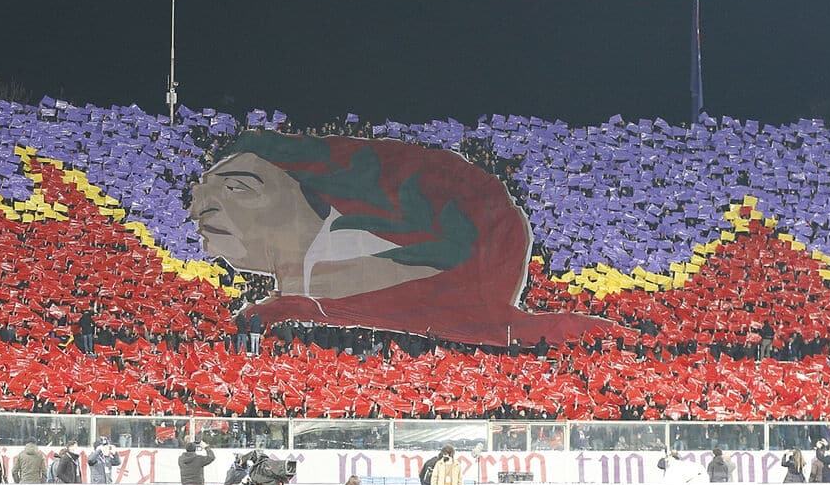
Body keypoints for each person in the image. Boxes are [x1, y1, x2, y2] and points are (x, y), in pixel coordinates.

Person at [188, 131, 613, 349]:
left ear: (317, 192)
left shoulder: (385, 273)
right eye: (201, 194)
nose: (197, 211)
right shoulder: (309, 291)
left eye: (237, 188)